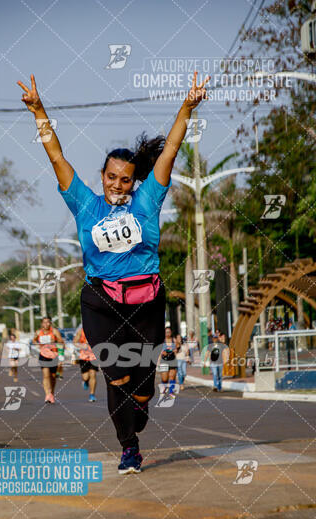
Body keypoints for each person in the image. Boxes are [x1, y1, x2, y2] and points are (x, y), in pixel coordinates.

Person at [17, 71, 209, 473]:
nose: (117, 185)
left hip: (146, 305)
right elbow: (56, 157)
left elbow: (171, 149)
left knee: (142, 392)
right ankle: (129, 449)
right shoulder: (86, 205)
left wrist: (187, 108)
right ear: (101, 177)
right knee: (116, 378)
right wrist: (39, 111)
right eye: (110, 177)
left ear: (134, 180)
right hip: (102, 303)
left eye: (125, 179)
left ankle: (136, 416)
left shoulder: (147, 200)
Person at [33, 316, 64, 404]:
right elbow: (34, 340)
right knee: (46, 375)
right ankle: (47, 395)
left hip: (53, 355)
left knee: (53, 377)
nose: (46, 324)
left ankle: (52, 394)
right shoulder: (38, 332)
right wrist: (38, 343)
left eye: (48, 322)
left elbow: (61, 341)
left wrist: (54, 343)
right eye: (44, 322)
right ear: (42, 323)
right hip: (43, 355)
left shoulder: (54, 331)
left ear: (50, 323)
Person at [73, 326, 98, 402]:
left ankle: (92, 394)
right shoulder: (81, 331)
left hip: (94, 356)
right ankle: (85, 381)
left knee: (93, 374)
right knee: (85, 377)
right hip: (84, 357)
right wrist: (81, 346)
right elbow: (75, 342)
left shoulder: (96, 330)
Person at [159, 327, 178, 397]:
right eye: (166, 332)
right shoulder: (162, 341)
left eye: (169, 332)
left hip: (172, 360)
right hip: (164, 361)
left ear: (171, 333)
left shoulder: (174, 340)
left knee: (172, 376)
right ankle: (164, 387)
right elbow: (160, 351)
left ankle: (171, 392)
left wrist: (175, 350)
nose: (168, 333)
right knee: (164, 378)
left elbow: (176, 349)